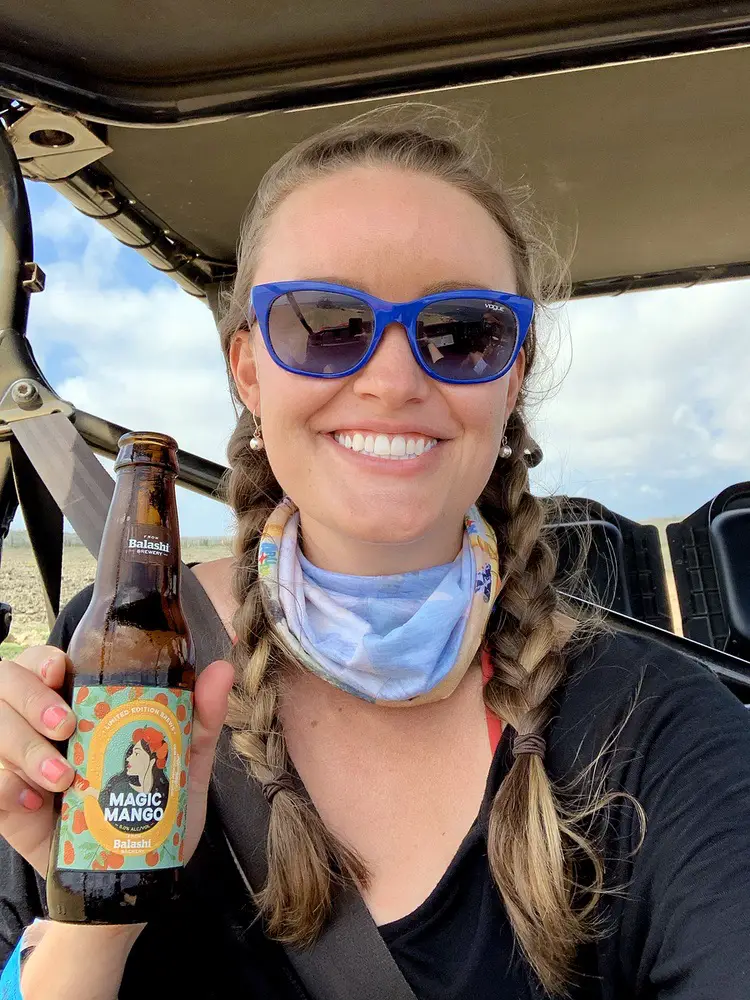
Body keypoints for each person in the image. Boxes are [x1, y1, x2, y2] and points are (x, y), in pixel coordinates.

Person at [2, 104, 750, 1000]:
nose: (394, 381)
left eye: (461, 333)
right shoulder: (134, 661)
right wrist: (94, 921)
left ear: (512, 373)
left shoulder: (654, 733)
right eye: (325, 321)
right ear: (248, 368)